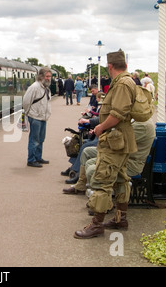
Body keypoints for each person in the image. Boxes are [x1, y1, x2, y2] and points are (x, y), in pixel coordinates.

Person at [74, 49, 137, 239]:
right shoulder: (127, 81)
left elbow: (117, 114)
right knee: (119, 178)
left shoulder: (122, 84)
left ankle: (97, 224)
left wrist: (100, 127)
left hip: (115, 140)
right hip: (121, 140)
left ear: (110, 66)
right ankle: (120, 218)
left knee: (103, 180)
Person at [63, 119, 155, 204]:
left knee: (92, 168)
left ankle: (102, 203)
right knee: (87, 152)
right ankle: (82, 186)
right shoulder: (137, 120)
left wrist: (103, 134)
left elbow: (121, 142)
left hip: (128, 162)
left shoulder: (142, 125)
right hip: (120, 157)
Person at [22, 67, 52, 168]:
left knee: (41, 139)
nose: (49, 78)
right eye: (47, 76)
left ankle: (38, 157)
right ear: (41, 76)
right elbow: (26, 101)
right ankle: (31, 160)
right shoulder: (34, 87)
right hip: (35, 117)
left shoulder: (45, 88)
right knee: (34, 140)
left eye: (49, 76)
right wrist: (28, 113)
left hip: (43, 117)